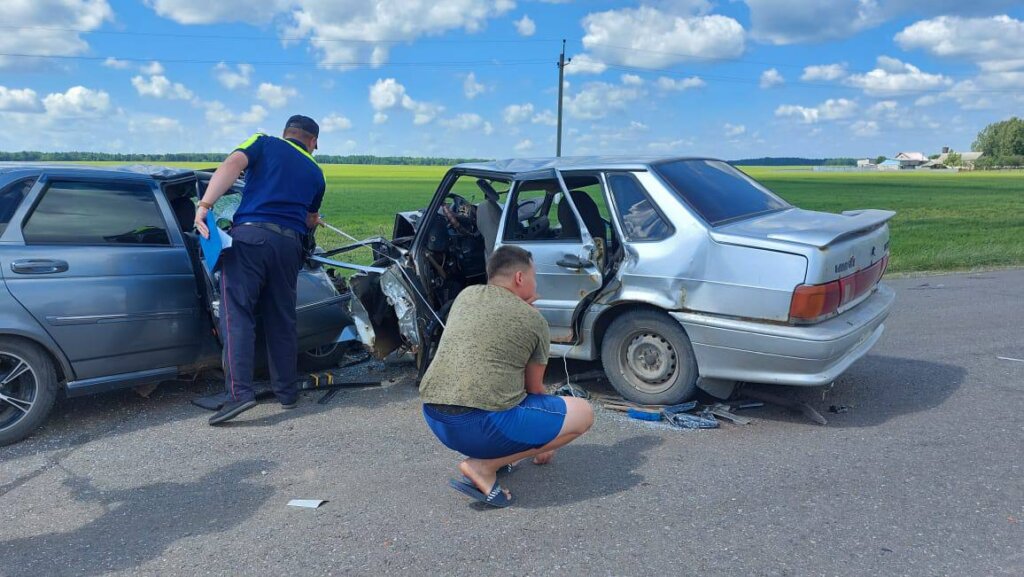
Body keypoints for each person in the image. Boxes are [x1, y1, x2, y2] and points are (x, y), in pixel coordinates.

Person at [419, 245, 594, 507]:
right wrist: (546, 442)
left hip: (436, 417)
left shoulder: (466, 296)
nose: (537, 284)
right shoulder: (533, 319)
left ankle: (497, 457)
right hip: (478, 425)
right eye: (535, 277)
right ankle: (484, 466)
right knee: (584, 413)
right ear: (520, 279)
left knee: (504, 395)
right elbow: (534, 389)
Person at [195, 115, 326, 425]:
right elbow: (310, 219)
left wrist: (205, 205)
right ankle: (287, 393)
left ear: (286, 133)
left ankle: (239, 394)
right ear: (313, 142)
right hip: (288, 246)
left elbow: (232, 164)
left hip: (250, 238)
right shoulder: (316, 172)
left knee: (236, 314)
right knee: (281, 317)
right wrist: (311, 220)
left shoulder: (263, 143)